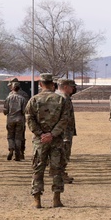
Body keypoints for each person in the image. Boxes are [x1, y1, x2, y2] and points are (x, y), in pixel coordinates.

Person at [25, 73, 69, 208]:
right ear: (53, 84)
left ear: (40, 84)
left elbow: (29, 119)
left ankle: (37, 200)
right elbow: (65, 119)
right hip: (56, 140)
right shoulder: (61, 100)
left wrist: (41, 134)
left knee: (38, 168)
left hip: (40, 140)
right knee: (57, 168)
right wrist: (52, 134)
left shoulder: (34, 100)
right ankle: (57, 198)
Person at [4, 80, 27, 161]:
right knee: (18, 137)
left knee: (10, 136)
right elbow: (25, 111)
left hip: (10, 119)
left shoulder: (8, 97)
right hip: (20, 119)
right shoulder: (23, 98)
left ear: (13, 88)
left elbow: (5, 110)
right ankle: (18, 154)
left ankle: (11, 149)